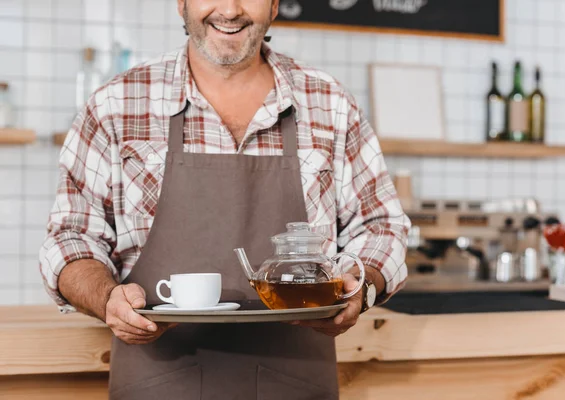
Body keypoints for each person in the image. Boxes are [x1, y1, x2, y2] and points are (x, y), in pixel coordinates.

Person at [39, 0, 410, 398]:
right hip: (158, 385)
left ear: (274, 4)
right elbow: (70, 238)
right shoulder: (117, 105)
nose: (230, 10)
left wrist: (360, 288)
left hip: (296, 385)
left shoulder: (330, 104)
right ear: (181, 3)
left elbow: (381, 226)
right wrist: (108, 298)